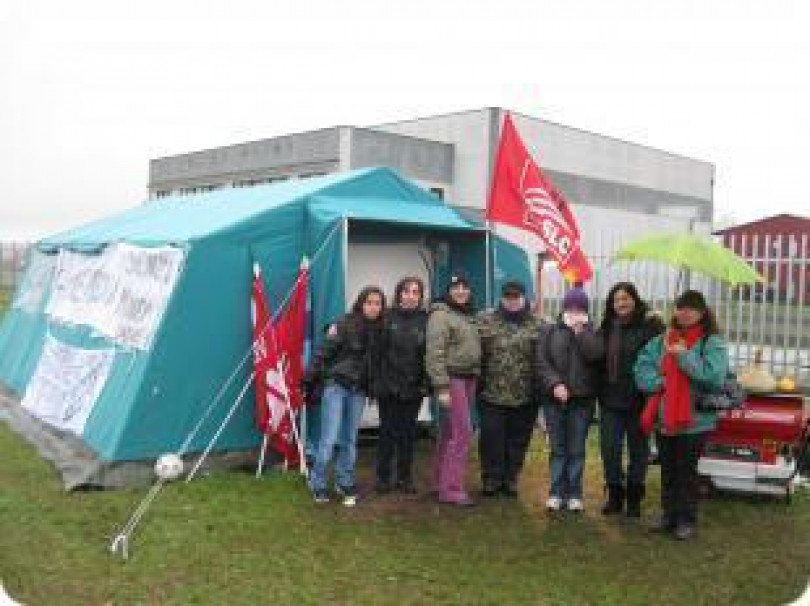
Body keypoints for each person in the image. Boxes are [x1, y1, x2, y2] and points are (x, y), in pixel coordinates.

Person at [634, 290, 728, 540]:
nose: (684, 313)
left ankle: (686, 520)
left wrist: (684, 357)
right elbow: (642, 365)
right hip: (665, 420)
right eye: (680, 307)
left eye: (691, 308)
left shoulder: (712, 342)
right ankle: (668, 516)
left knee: (686, 472)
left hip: (694, 422)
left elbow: (714, 377)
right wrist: (657, 383)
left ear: (701, 313)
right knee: (668, 470)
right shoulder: (663, 339)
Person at [309, 286, 385, 507]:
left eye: (378, 303)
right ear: (361, 303)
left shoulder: (382, 330)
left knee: (350, 439)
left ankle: (344, 480)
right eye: (369, 302)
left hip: (359, 390)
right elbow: (323, 352)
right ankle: (318, 482)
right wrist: (309, 379)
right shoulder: (344, 324)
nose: (373, 307)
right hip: (337, 386)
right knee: (329, 438)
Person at [596, 282, 665, 518]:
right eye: (616, 300)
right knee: (609, 449)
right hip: (610, 399)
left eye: (626, 298)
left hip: (639, 401)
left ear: (635, 300)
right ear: (611, 304)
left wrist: (661, 324)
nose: (621, 303)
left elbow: (663, 351)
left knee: (639, 451)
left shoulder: (649, 326)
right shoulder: (607, 326)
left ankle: (634, 497)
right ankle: (615, 494)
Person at [536, 284, 602, 512]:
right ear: (563, 308)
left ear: (586, 310)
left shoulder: (593, 331)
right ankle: (555, 492)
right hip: (554, 400)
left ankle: (574, 494)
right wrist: (555, 384)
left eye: (579, 308)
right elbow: (541, 361)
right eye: (570, 308)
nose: (574, 312)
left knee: (577, 449)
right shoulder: (550, 330)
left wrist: (580, 333)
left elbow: (595, 356)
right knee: (558, 449)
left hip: (582, 401)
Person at [477, 279, 543, 498]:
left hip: (525, 395)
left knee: (518, 439)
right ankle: (491, 477)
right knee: (491, 438)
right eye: (508, 297)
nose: (512, 301)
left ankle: (511, 477)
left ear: (524, 298)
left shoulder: (539, 324)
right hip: (491, 393)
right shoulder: (485, 319)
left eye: (516, 297)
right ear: (501, 297)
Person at [425, 273, 481, 506]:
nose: (461, 291)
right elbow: (434, 352)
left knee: (450, 433)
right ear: (448, 290)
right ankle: (452, 489)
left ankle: (440, 481)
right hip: (453, 379)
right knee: (463, 434)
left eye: (464, 287)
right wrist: (442, 387)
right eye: (456, 287)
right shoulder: (440, 315)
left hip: (469, 378)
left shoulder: (468, 315)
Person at [375, 277, 429, 495]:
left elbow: (429, 353)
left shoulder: (427, 320)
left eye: (415, 292)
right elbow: (376, 350)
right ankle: (383, 477)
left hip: (413, 387)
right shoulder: (386, 317)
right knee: (387, 432)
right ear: (399, 294)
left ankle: (405, 477)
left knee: (408, 434)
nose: (410, 296)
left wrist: (424, 384)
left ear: (420, 296)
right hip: (388, 386)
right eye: (406, 291)